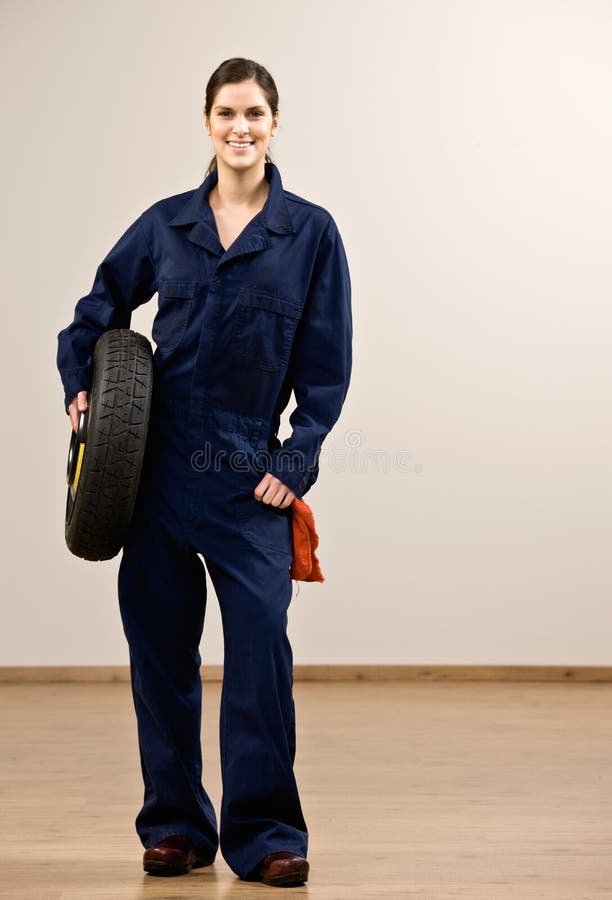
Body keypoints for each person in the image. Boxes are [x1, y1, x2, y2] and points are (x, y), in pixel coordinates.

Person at [56, 57, 352, 887]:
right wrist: (82, 386)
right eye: (228, 112)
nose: (241, 127)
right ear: (208, 120)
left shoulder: (310, 234)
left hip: (246, 474)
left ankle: (266, 837)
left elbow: (326, 369)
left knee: (259, 660)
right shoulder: (167, 225)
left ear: (275, 122)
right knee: (161, 661)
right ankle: (178, 828)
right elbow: (93, 315)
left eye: (255, 112)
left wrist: (296, 461)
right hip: (153, 473)